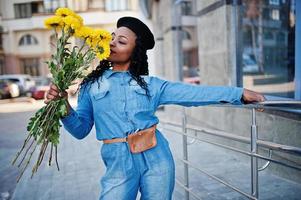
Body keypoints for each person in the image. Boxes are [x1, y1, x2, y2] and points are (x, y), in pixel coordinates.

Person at [45, 16, 265, 200]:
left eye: (121, 42)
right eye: (112, 38)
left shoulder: (152, 85)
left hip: (157, 158)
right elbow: (80, 130)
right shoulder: (91, 86)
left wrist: (238, 94)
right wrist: (62, 104)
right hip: (118, 165)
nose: (112, 43)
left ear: (135, 51)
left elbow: (195, 94)